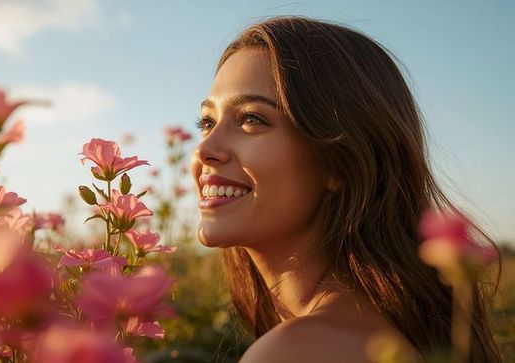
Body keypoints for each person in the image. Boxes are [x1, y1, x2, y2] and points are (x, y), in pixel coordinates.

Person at [189, 16, 502, 362]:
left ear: (339, 163)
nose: (204, 149)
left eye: (252, 119)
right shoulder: (373, 333)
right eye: (207, 122)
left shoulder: (298, 352)